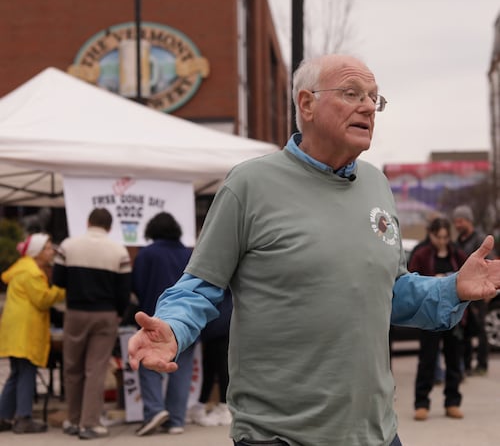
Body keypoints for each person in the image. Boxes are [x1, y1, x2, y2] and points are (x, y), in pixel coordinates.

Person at [127, 54, 500, 446]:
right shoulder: (249, 185)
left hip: (376, 432)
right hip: (279, 435)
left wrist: (453, 287)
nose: (369, 106)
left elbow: (389, 294)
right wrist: (171, 325)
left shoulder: (377, 184)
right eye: (352, 93)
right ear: (306, 104)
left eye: (375, 98)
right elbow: (201, 287)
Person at [52, 208, 131, 440]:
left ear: (88, 222)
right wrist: (118, 313)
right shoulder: (118, 250)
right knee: (95, 368)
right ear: (109, 226)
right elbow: (124, 290)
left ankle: (73, 420)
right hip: (105, 314)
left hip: (75, 312)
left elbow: (57, 280)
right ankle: (91, 422)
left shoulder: (68, 245)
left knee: (72, 368)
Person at [131, 212, 194, 436]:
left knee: (149, 365)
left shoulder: (146, 255)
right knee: (182, 370)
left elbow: (136, 286)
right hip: (187, 322)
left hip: (152, 318)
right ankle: (176, 420)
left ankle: (154, 411)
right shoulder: (189, 254)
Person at [0, 233, 65, 434]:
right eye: (46, 248)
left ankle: (3, 417)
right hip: (25, 331)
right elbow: (43, 299)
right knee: (26, 373)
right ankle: (24, 418)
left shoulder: (22, 268)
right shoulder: (31, 272)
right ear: (36, 252)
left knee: (17, 373)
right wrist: (63, 290)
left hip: (15, 330)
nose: (51, 251)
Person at [408, 217, 467, 421]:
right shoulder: (421, 254)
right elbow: (411, 281)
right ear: (431, 235)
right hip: (429, 315)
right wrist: (434, 281)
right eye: (438, 237)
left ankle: (452, 401)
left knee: (453, 359)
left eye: (445, 237)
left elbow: (466, 278)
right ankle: (421, 402)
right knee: (427, 359)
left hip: (453, 314)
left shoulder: (457, 254)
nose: (442, 241)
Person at [452, 204, 491, 376]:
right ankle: (466, 365)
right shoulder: (457, 243)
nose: (457, 225)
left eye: (460, 221)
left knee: (480, 329)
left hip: (480, 292)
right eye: (455, 222)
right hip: (463, 291)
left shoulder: (479, 240)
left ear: (468, 221)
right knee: (465, 329)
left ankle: (482, 364)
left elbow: (490, 265)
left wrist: (489, 291)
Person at [188, 288, 232, 427]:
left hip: (220, 319)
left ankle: (224, 407)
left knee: (221, 365)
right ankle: (202, 404)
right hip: (215, 320)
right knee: (211, 365)